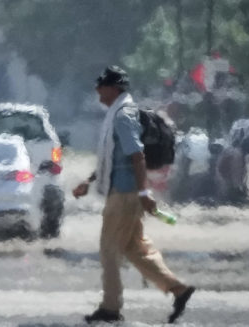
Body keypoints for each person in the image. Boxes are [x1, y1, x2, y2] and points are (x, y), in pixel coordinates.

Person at [72, 66, 195, 324]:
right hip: (123, 190)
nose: (97, 90)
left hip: (125, 193)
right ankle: (178, 290)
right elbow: (112, 158)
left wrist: (143, 192)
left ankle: (110, 308)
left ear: (114, 88)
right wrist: (89, 180)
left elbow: (136, 156)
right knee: (136, 248)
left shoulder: (123, 116)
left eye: (101, 85)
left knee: (109, 250)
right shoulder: (115, 113)